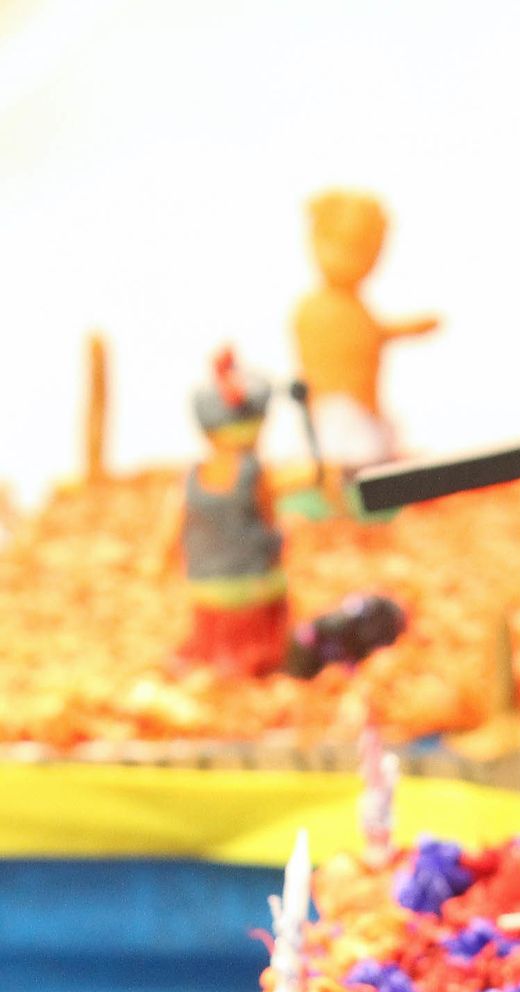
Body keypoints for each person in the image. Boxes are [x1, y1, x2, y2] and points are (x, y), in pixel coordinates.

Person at [292, 191, 439, 470]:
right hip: (335, 409)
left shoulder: (359, 309)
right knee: (346, 451)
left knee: (370, 451)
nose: (352, 260)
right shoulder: (312, 309)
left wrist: (412, 328)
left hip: (365, 407)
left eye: (366, 250)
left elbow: (373, 335)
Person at [171, 352, 289, 678]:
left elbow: (177, 522)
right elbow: (269, 519)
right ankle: (254, 658)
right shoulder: (253, 472)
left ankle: (216, 658)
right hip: (252, 583)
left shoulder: (196, 473)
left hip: (205, 582)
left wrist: (166, 556)